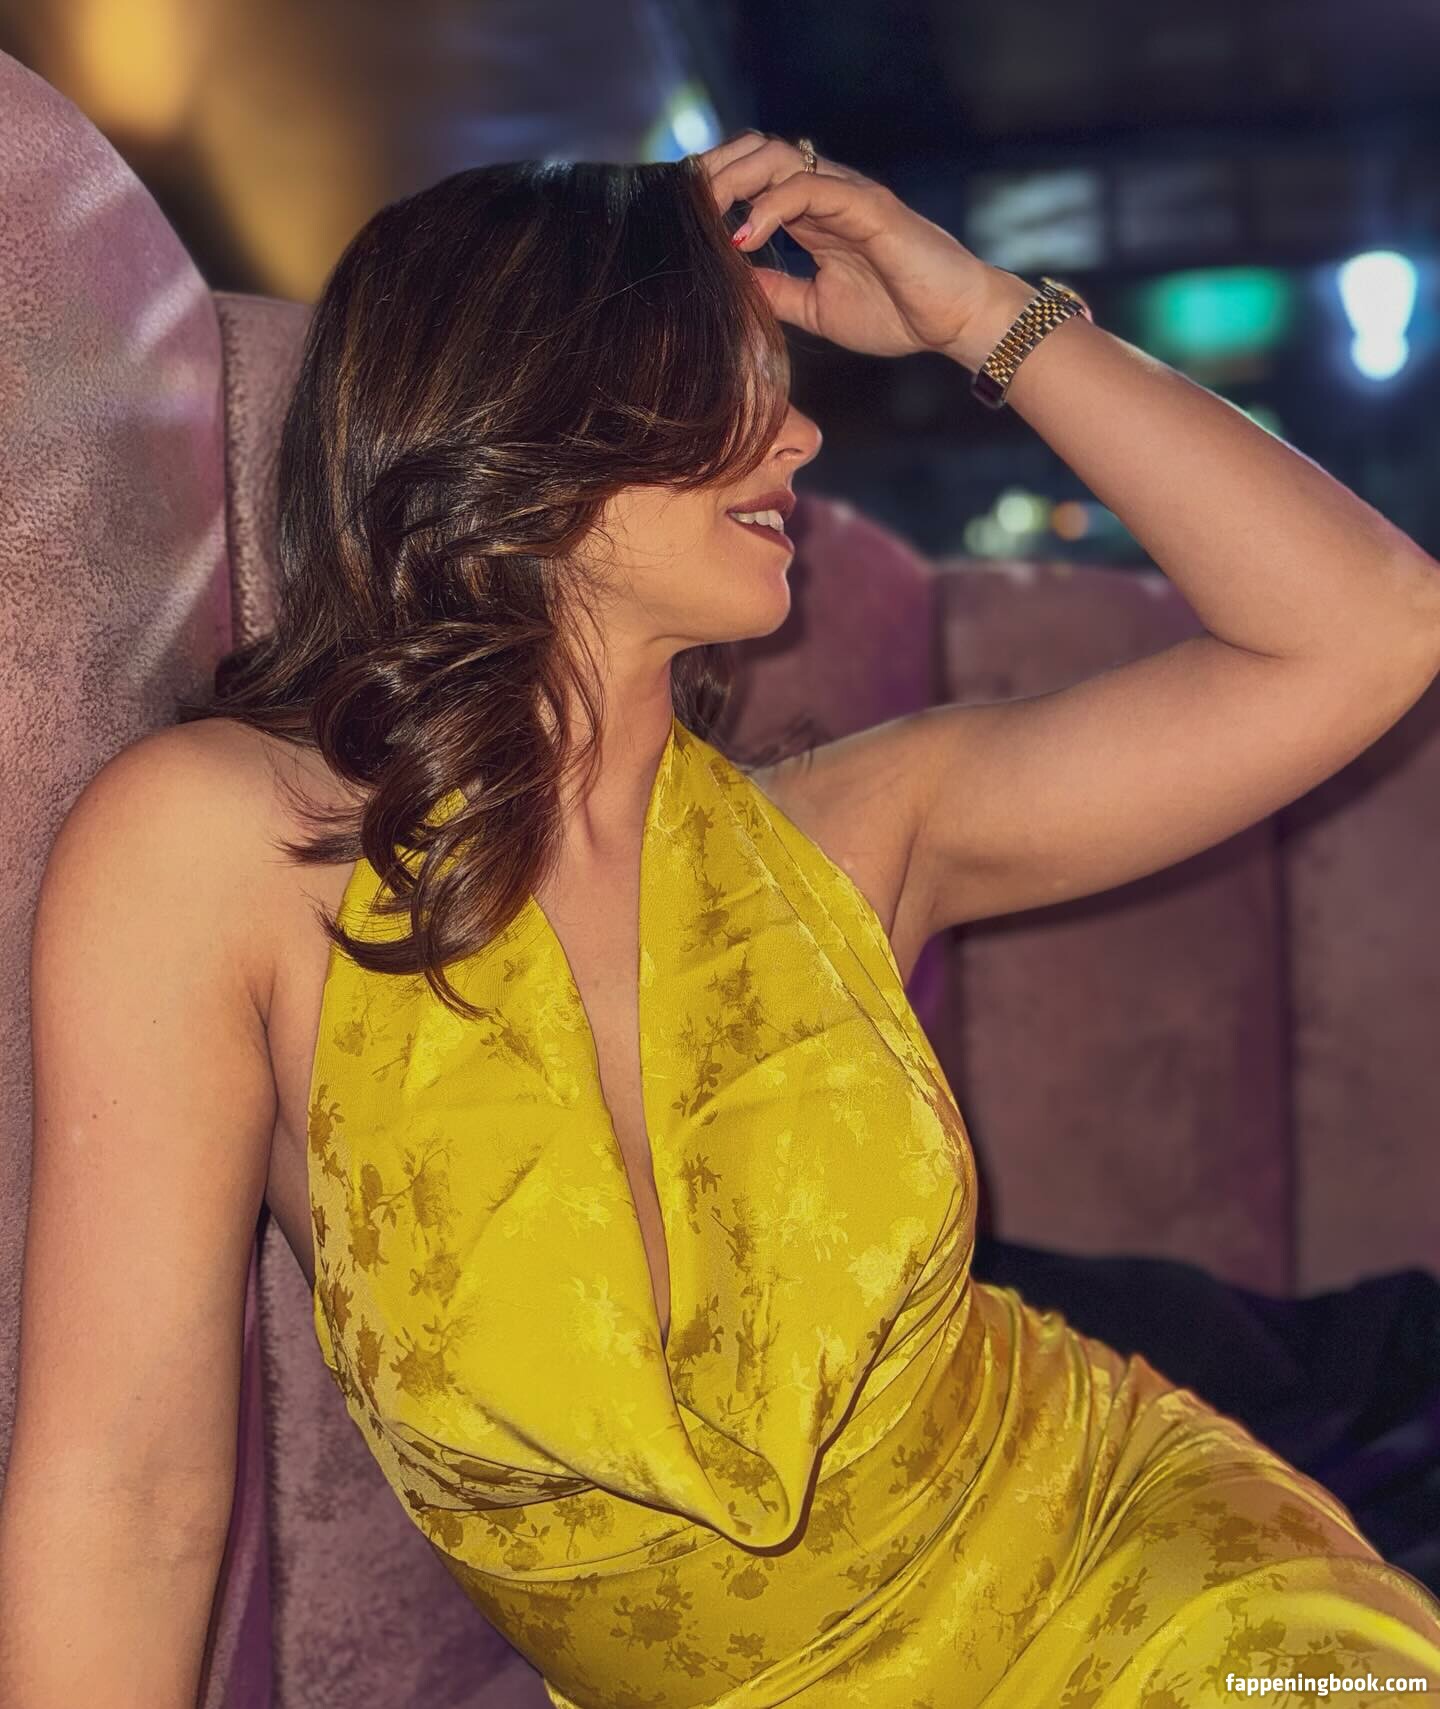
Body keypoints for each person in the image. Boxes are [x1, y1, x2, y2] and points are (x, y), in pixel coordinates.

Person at [4, 129, 1440, 1708]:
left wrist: (979, 311)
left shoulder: (855, 834)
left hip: (1148, 1582)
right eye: (724, 375)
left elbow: (1373, 628)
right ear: (526, 396)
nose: (804, 430)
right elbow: (127, 1493)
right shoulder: (217, 849)